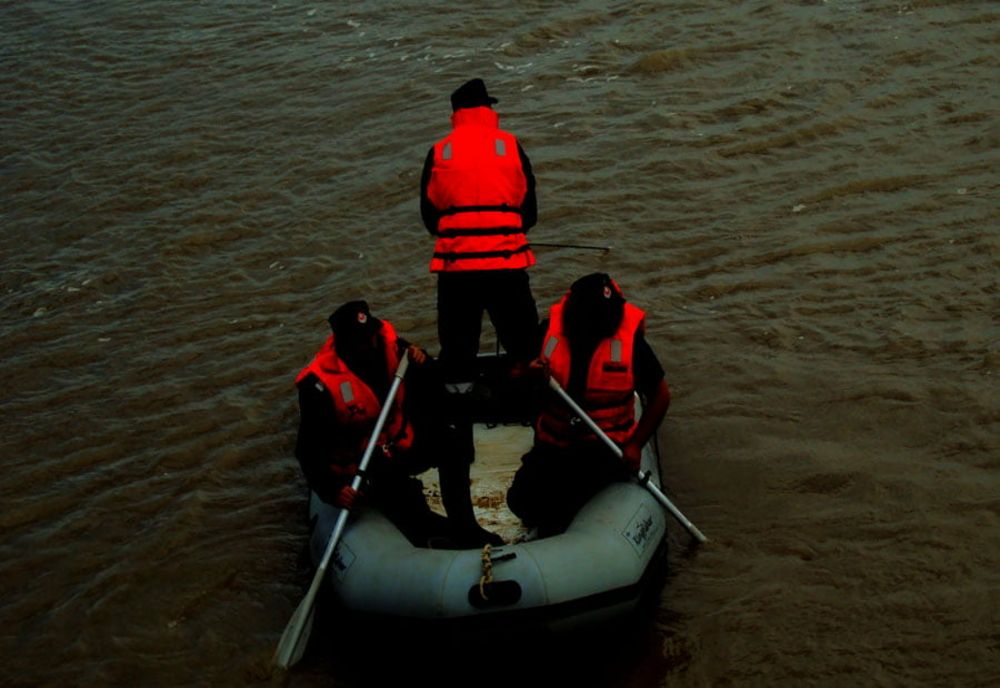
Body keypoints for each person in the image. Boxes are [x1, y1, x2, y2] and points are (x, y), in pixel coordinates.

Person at [294, 300, 502, 548]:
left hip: (400, 442)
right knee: (414, 517)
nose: (369, 343)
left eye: (370, 335)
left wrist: (424, 362)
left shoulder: (392, 349)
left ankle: (466, 525)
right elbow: (308, 449)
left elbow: (433, 385)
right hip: (366, 463)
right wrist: (332, 489)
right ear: (343, 342)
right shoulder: (318, 386)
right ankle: (433, 529)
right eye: (360, 339)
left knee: (453, 447)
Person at [506, 273, 672, 536]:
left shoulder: (630, 344)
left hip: (604, 447)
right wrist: (531, 377)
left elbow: (661, 395)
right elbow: (515, 377)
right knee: (519, 500)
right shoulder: (548, 332)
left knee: (564, 507)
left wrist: (635, 444)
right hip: (554, 443)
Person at [420, 77, 540, 392]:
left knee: (458, 353)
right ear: (487, 109)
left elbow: (430, 219)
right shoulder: (511, 146)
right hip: (507, 266)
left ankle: (460, 411)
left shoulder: (439, 152)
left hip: (457, 272)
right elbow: (529, 214)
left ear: (456, 113)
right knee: (526, 349)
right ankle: (531, 406)